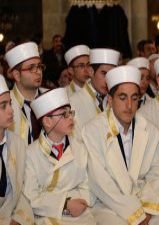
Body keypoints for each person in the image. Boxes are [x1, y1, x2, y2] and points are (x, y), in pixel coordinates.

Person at [82, 65, 159, 225]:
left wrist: (147, 211)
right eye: (122, 97)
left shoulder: (150, 131)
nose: (129, 105)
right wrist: (134, 213)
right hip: (109, 206)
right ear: (110, 100)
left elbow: (157, 176)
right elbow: (100, 182)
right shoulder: (92, 131)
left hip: (146, 203)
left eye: (134, 98)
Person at [23, 88, 95, 225]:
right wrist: (64, 204)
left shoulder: (80, 147)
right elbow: (30, 196)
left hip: (80, 213)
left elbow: (88, 184)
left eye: (70, 113)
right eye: (64, 114)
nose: (71, 117)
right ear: (47, 122)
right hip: (46, 216)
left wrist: (77, 203)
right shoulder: (31, 154)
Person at [0, 75, 34, 225]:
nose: (11, 110)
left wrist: (19, 219)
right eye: (3, 106)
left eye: (10, 103)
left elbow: (25, 189)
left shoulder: (17, 143)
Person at [70, 48, 120, 137]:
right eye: (104, 73)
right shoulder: (73, 102)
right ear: (91, 71)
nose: (108, 80)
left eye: (111, 75)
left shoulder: (118, 101)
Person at [5, 42, 45, 145]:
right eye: (32, 68)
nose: (39, 72)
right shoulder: (4, 105)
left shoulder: (51, 97)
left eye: (39, 66)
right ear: (17, 75)